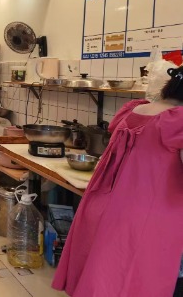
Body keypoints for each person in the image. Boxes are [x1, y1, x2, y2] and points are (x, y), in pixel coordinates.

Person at [52, 66, 183, 297]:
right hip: (143, 221)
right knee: (129, 282)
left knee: (101, 277)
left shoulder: (135, 110)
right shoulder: (176, 122)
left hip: (101, 207)